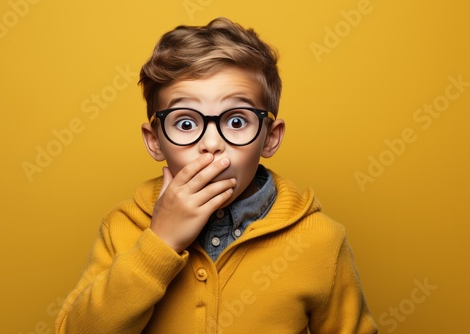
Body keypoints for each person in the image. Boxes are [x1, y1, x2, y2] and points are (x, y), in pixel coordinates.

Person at [54, 17, 377, 333]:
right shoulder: (122, 227)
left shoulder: (321, 239)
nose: (211, 144)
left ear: (270, 137)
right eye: (185, 123)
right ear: (155, 141)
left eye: (236, 121)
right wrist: (160, 243)